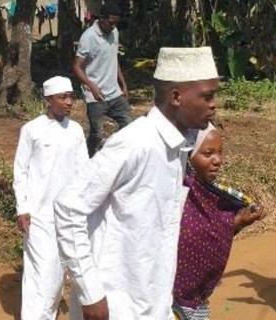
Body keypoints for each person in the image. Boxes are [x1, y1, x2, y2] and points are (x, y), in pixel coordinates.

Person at [54, 47, 219, 320]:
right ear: (176, 97)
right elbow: (69, 207)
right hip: (115, 305)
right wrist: (91, 292)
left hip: (152, 302)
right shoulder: (135, 143)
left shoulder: (177, 149)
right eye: (207, 96)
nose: (214, 104)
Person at [13, 76, 89, 320]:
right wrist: (22, 208)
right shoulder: (32, 129)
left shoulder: (75, 130)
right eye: (62, 97)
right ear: (48, 99)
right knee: (42, 274)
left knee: (58, 275)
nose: (69, 102)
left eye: (71, 97)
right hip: (38, 215)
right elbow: (20, 170)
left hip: (68, 215)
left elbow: (83, 171)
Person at [172, 124, 265, 320]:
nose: (218, 160)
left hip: (196, 302)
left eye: (220, 153)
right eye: (208, 153)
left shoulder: (212, 196)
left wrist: (239, 221)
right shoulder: (177, 196)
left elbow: (212, 235)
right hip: (168, 300)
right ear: (189, 156)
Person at [73, 2, 131, 157]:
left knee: (129, 127)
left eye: (116, 24)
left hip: (115, 93)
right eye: (111, 23)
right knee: (96, 134)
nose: (113, 26)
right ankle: (87, 158)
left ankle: (120, 159)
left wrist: (123, 84)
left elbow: (114, 59)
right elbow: (77, 67)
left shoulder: (115, 32)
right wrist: (91, 86)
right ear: (102, 19)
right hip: (96, 96)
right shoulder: (89, 37)